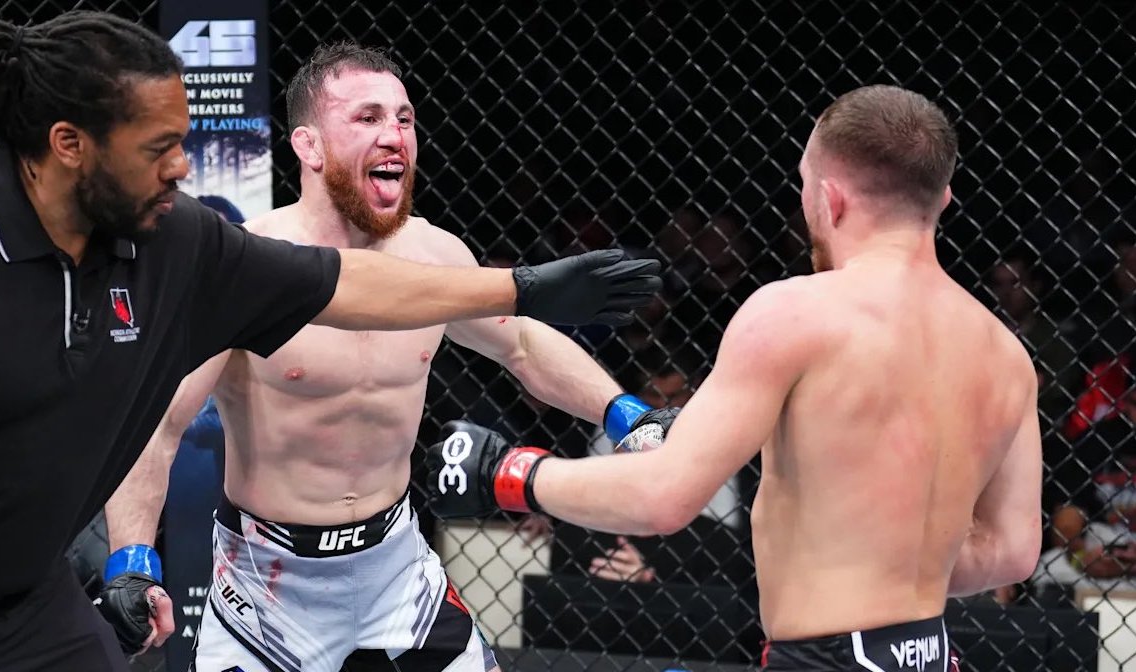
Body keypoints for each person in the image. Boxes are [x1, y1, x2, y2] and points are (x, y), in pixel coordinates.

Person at [0, 13, 660, 672]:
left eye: (405, 118)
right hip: (265, 588)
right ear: (308, 145)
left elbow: (521, 345)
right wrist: (132, 558)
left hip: (396, 569)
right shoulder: (242, 262)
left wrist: (626, 412)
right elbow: (158, 425)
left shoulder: (435, 256)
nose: (395, 135)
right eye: (368, 117)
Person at [426, 84, 1044, 672]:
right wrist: (892, 569)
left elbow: (662, 497)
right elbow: (1014, 551)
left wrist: (509, 472)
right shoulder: (1004, 352)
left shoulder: (797, 313)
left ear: (829, 199)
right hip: (930, 652)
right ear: (943, 198)